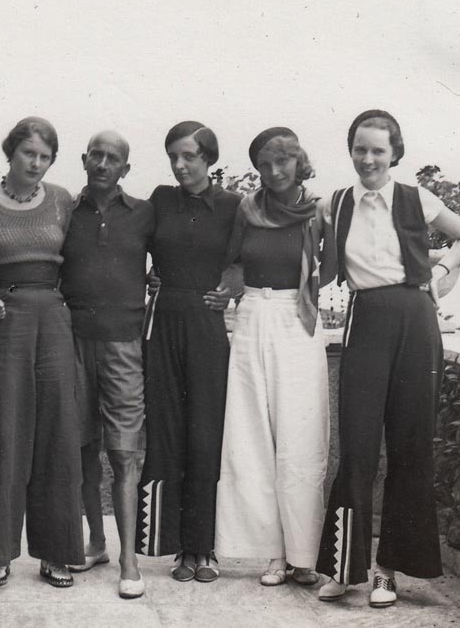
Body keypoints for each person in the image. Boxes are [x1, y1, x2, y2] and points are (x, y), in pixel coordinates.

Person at [316, 110, 460, 608]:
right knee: (357, 447)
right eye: (360, 149)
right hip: (365, 318)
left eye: (378, 150)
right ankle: (344, 567)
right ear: (351, 150)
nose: (368, 159)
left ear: (394, 154)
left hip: (414, 320)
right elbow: (319, 266)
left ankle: (386, 573)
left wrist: (442, 273)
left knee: (409, 446)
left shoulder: (416, 198)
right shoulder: (334, 204)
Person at [0, 116, 84, 588]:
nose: (36, 163)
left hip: (53, 316)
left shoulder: (62, 200)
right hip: (2, 319)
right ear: (10, 152)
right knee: (2, 430)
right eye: (28, 153)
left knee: (57, 432)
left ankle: (56, 552)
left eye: (45, 156)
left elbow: (79, 260)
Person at [214, 127, 336, 587]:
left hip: (296, 318)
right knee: (250, 434)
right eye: (264, 164)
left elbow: (335, 265)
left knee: (301, 434)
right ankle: (271, 554)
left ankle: (303, 554)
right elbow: (233, 262)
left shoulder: (319, 209)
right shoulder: (248, 208)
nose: (274, 171)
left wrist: (302, 290)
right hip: (250, 314)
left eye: (282, 160)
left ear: (299, 161)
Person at [136, 121, 241, 583]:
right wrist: (146, 276)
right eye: (173, 157)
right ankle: (177, 547)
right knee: (166, 433)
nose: (180, 165)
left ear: (209, 158)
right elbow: (130, 246)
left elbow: (247, 258)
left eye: (189, 156)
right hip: (161, 324)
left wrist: (232, 286)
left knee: (205, 435)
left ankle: (205, 547)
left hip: (206, 324)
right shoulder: (160, 199)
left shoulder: (233, 205)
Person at [60, 130, 154, 599]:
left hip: (124, 345)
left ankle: (128, 560)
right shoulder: (63, 211)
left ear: (125, 168)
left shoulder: (144, 213)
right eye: (95, 155)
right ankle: (95, 542)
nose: (102, 163)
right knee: (81, 447)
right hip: (73, 342)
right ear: (83, 159)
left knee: (123, 453)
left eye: (112, 158)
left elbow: (176, 256)